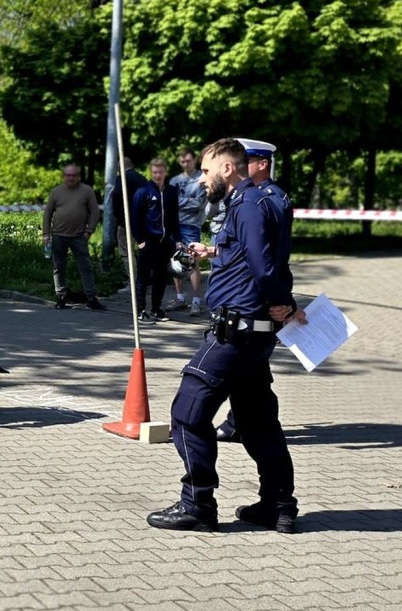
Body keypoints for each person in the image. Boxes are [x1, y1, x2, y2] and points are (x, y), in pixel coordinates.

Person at [146, 137, 306, 534]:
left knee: (187, 413)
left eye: (206, 171)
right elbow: (249, 254)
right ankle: (278, 506)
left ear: (228, 169)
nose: (201, 180)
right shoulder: (249, 202)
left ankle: (197, 505)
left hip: (236, 333)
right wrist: (213, 253)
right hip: (252, 335)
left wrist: (282, 303)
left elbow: (264, 264)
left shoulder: (249, 204)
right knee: (258, 421)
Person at [216, 138, 293, 443]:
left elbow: (269, 255)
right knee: (254, 369)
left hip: (260, 296)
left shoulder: (269, 199)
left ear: (263, 164)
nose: (240, 166)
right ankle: (247, 424)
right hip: (259, 292)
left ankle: (243, 424)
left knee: (248, 365)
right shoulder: (248, 198)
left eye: (246, 161)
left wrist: (280, 300)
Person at [43, 164, 106, 311]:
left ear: (78, 176)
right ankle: (61, 296)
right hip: (58, 235)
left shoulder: (87, 191)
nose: (71, 178)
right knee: (58, 267)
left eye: (73, 175)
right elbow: (48, 213)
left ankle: (91, 298)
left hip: (78, 236)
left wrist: (89, 231)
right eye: (68, 175)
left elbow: (95, 212)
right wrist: (46, 233)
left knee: (86, 267)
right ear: (64, 176)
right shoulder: (56, 192)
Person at [131, 158, 180, 323]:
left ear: (166, 172)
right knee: (143, 277)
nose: (158, 175)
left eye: (161, 172)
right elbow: (135, 218)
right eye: (155, 172)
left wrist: (177, 239)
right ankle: (140, 311)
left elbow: (174, 217)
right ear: (151, 172)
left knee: (161, 277)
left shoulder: (171, 191)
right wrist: (140, 240)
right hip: (148, 241)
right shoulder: (143, 191)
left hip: (165, 242)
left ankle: (156, 309)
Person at [166, 147, 208, 316]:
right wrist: (184, 202)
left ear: (195, 160)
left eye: (188, 160)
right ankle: (180, 298)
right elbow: (169, 203)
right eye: (182, 161)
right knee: (175, 260)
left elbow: (198, 204)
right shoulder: (175, 180)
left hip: (191, 225)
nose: (185, 163)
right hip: (174, 225)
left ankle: (196, 301)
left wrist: (178, 202)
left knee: (192, 261)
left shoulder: (201, 179)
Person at [110, 157, 148, 274]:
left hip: (127, 222)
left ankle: (134, 279)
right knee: (145, 250)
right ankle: (147, 278)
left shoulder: (122, 179)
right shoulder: (143, 179)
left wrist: (119, 218)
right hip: (144, 221)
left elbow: (116, 198)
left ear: (119, 167)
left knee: (126, 251)